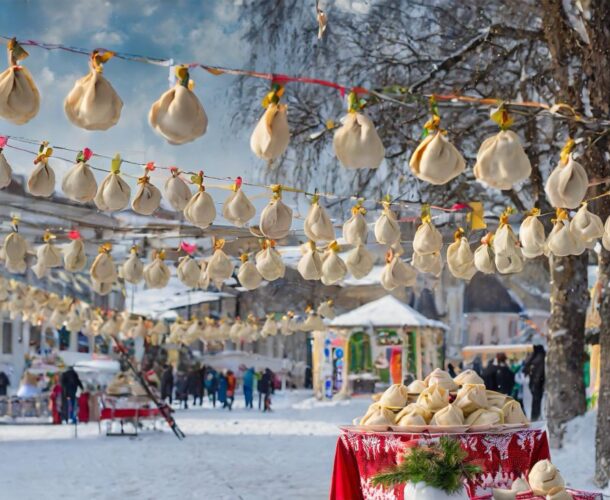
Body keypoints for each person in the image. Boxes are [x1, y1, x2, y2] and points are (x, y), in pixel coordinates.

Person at [524, 344, 546, 420]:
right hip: (540, 382)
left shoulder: (533, 357)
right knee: (538, 400)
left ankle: (535, 416)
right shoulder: (542, 356)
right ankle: (537, 416)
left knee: (535, 400)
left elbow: (525, 367)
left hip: (534, 382)